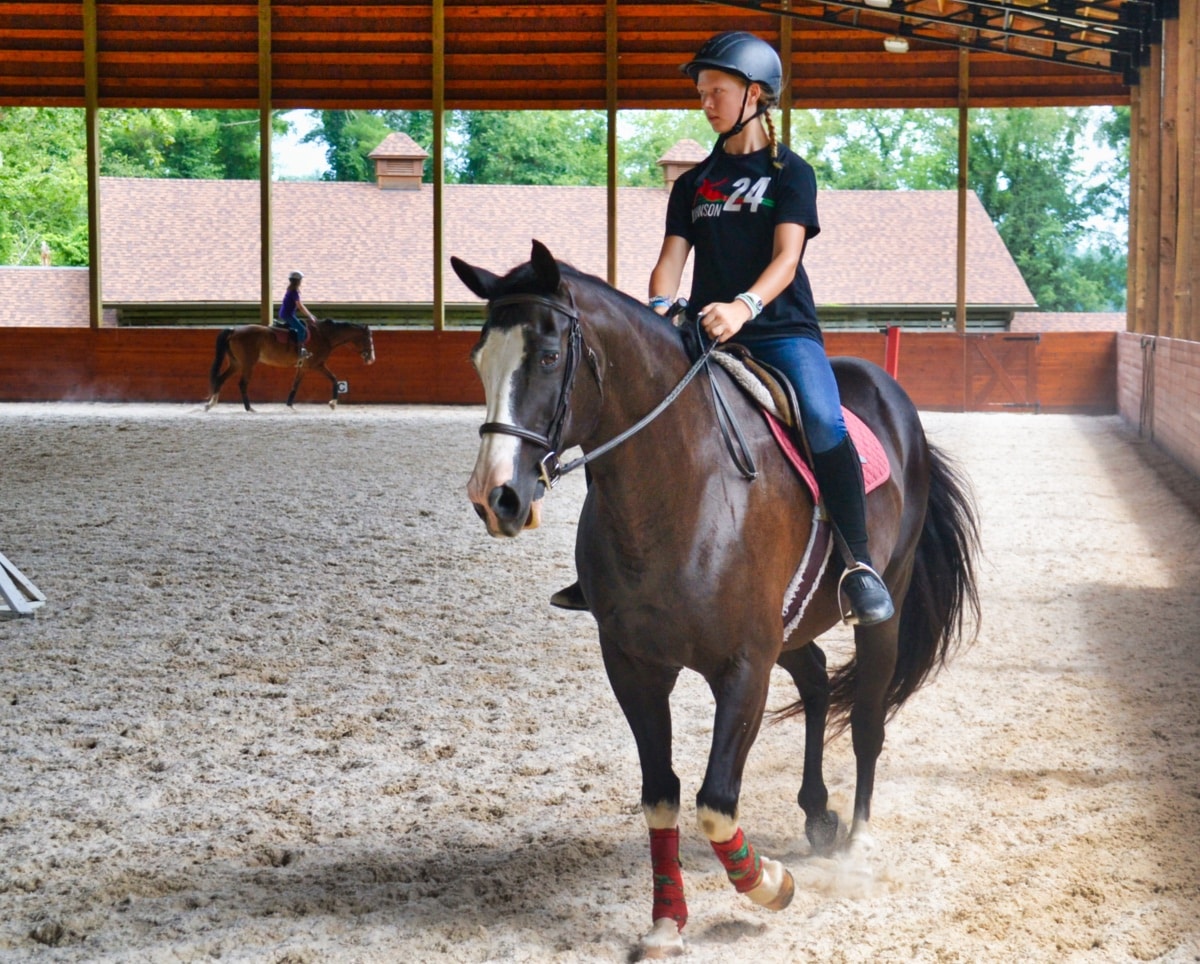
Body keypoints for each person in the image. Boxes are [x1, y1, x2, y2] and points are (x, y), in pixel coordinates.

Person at [552, 30, 893, 626]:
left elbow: (787, 260)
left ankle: (858, 565)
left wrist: (743, 307)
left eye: (717, 92)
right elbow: (671, 259)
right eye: (702, 93)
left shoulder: (792, 175)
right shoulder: (693, 184)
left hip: (779, 329)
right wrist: (656, 308)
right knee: (627, 406)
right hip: (703, 329)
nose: (705, 104)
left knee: (822, 418)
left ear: (756, 95)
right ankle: (603, 566)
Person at [278, 270, 317, 363]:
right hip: (287, 315)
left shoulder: (291, 290)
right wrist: (310, 316)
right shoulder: (294, 292)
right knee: (302, 329)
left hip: (287, 314)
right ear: (298, 281)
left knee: (301, 325)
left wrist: (309, 315)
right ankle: (301, 352)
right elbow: (300, 306)